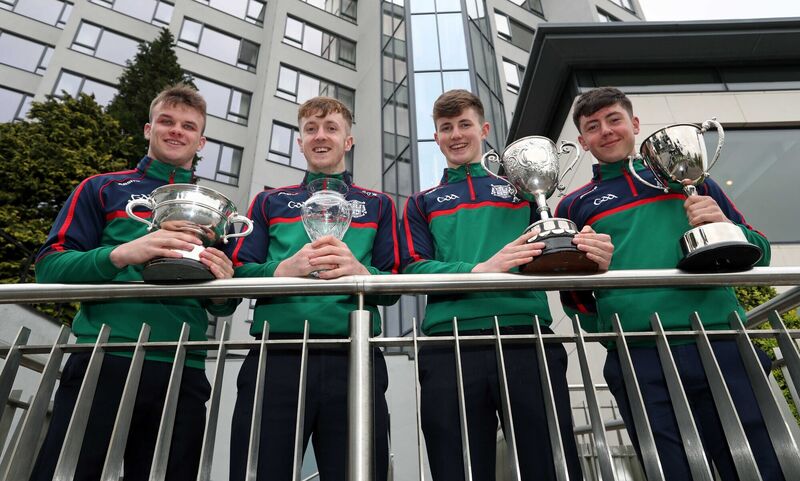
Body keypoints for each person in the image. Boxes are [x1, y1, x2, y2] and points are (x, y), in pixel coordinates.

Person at [557, 86, 780, 480]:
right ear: (583, 141)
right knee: (668, 467)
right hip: (636, 354)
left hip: (718, 339)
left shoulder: (690, 179)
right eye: (593, 126)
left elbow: (760, 249)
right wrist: (613, 326)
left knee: (757, 459)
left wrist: (723, 226)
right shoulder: (573, 205)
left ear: (635, 124)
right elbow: (573, 294)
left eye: (614, 120)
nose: (606, 131)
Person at [400, 89, 611, 481]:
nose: (456, 134)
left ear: (484, 129)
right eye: (446, 128)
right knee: (457, 468)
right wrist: (481, 269)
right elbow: (413, 268)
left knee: (551, 465)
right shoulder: (421, 202)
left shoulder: (523, 190)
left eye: (464, 124)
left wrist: (591, 250)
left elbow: (556, 251)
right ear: (437, 138)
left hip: (525, 338)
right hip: (450, 345)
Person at [32, 84, 238, 481]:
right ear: (148, 129)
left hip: (184, 366)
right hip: (104, 356)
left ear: (201, 141)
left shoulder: (216, 208)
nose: (176, 131)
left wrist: (225, 282)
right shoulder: (101, 187)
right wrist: (124, 252)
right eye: (167, 121)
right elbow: (49, 269)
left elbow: (223, 305)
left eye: (188, 126)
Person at [229, 96, 400, 481]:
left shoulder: (378, 204)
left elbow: (394, 284)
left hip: (356, 356)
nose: (320, 137)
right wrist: (283, 269)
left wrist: (361, 273)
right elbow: (237, 273)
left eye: (331, 128)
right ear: (300, 141)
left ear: (349, 141)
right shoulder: (269, 201)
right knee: (259, 471)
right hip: (277, 355)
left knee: (359, 473)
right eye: (311, 129)